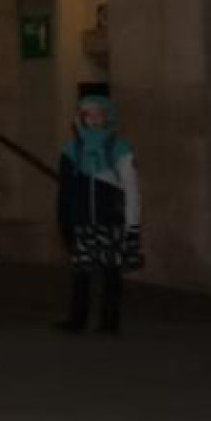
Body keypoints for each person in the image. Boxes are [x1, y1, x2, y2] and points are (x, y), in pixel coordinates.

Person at [54, 92, 142, 335]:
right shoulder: (71, 151)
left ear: (107, 116)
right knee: (81, 271)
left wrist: (132, 225)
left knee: (111, 271)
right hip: (82, 221)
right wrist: (65, 222)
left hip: (110, 222)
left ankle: (109, 321)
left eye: (98, 113)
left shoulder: (119, 148)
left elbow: (132, 189)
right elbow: (65, 192)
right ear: (80, 118)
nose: (92, 118)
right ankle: (77, 318)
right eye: (87, 114)